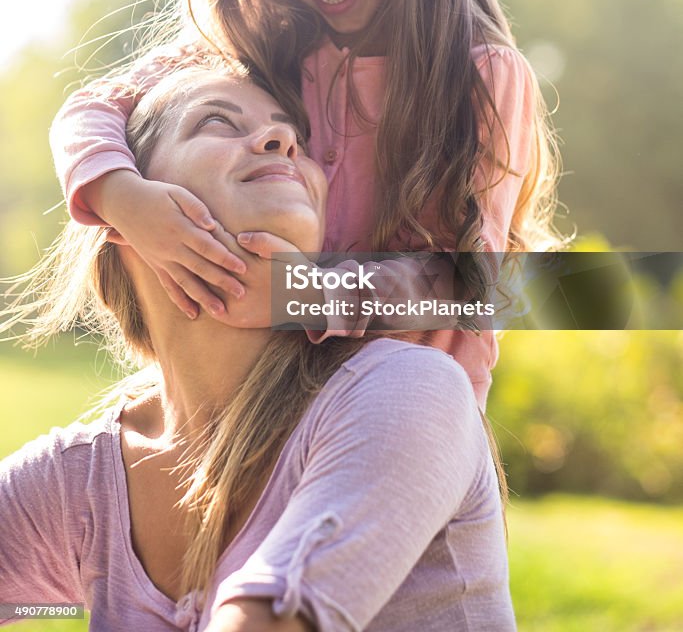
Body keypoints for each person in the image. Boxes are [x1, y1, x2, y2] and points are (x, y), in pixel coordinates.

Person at [49, 0, 563, 409]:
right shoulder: (268, 38)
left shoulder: (477, 79)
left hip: (403, 424)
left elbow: (461, 283)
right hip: (268, 417)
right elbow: (93, 107)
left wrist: (297, 292)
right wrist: (121, 197)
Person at [0, 66, 516, 631]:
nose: (284, 140)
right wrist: (59, 604)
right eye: (217, 122)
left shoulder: (407, 391)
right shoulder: (80, 481)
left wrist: (305, 292)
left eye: (295, 134)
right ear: (121, 224)